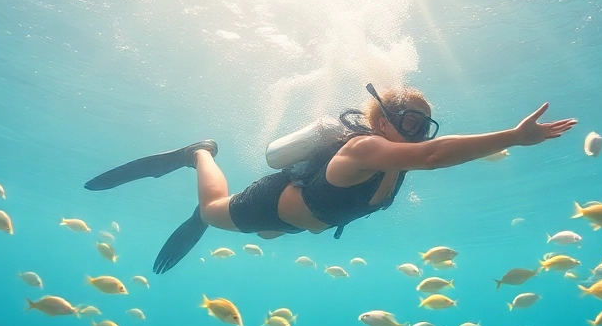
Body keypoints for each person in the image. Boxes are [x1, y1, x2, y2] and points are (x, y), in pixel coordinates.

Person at [85, 84, 576, 273]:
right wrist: (512, 136)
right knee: (215, 213)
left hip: (296, 223)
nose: (416, 132)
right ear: (381, 119)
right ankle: (199, 154)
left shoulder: (398, 162)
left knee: (271, 234)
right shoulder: (364, 148)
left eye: (422, 124)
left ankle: (223, 193)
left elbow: (428, 156)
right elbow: (435, 157)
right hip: (272, 202)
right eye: (408, 120)